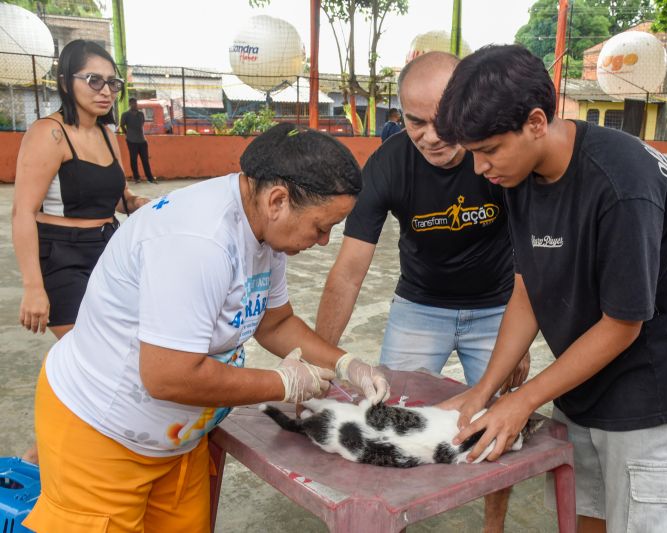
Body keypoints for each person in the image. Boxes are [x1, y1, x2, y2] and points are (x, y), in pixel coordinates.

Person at [22, 123, 389, 533]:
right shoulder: (198, 243)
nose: (322, 241)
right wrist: (281, 384)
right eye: (321, 227)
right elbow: (168, 376)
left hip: (175, 439)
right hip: (101, 435)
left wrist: (348, 365)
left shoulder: (265, 229)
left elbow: (276, 321)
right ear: (278, 200)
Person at [435, 45, 667, 533]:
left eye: (489, 150)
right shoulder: (517, 173)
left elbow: (624, 325)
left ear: (537, 122)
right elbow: (528, 287)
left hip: (651, 385)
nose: (480, 169)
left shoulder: (623, 185)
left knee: (637, 521)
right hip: (581, 376)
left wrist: (522, 400)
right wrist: (482, 391)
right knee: (583, 512)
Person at [315, 51, 529, 533]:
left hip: (497, 307)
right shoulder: (388, 166)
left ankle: (493, 525)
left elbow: (530, 255)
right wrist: (318, 357)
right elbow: (348, 271)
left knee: (498, 427)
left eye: (444, 121)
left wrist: (519, 342)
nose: (431, 136)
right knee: (389, 420)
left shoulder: (496, 155)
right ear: (400, 114)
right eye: (415, 122)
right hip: (419, 308)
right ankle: (396, 523)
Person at [12, 39, 150, 463]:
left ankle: (50, 455)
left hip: (108, 251)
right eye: (94, 80)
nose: (105, 90)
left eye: (113, 82)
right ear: (66, 81)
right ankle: (42, 456)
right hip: (62, 259)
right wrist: (34, 288)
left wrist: (143, 206)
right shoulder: (48, 134)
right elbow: (22, 213)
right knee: (95, 360)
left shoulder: (109, 135)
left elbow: (118, 195)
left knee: (134, 353)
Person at [119, 96, 157, 184]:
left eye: (136, 103)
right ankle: (136, 178)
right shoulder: (125, 115)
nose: (135, 105)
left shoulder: (141, 114)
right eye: (133, 103)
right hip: (131, 141)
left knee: (145, 160)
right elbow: (122, 125)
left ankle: (150, 178)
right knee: (133, 160)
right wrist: (127, 134)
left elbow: (142, 124)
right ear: (130, 104)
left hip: (142, 140)